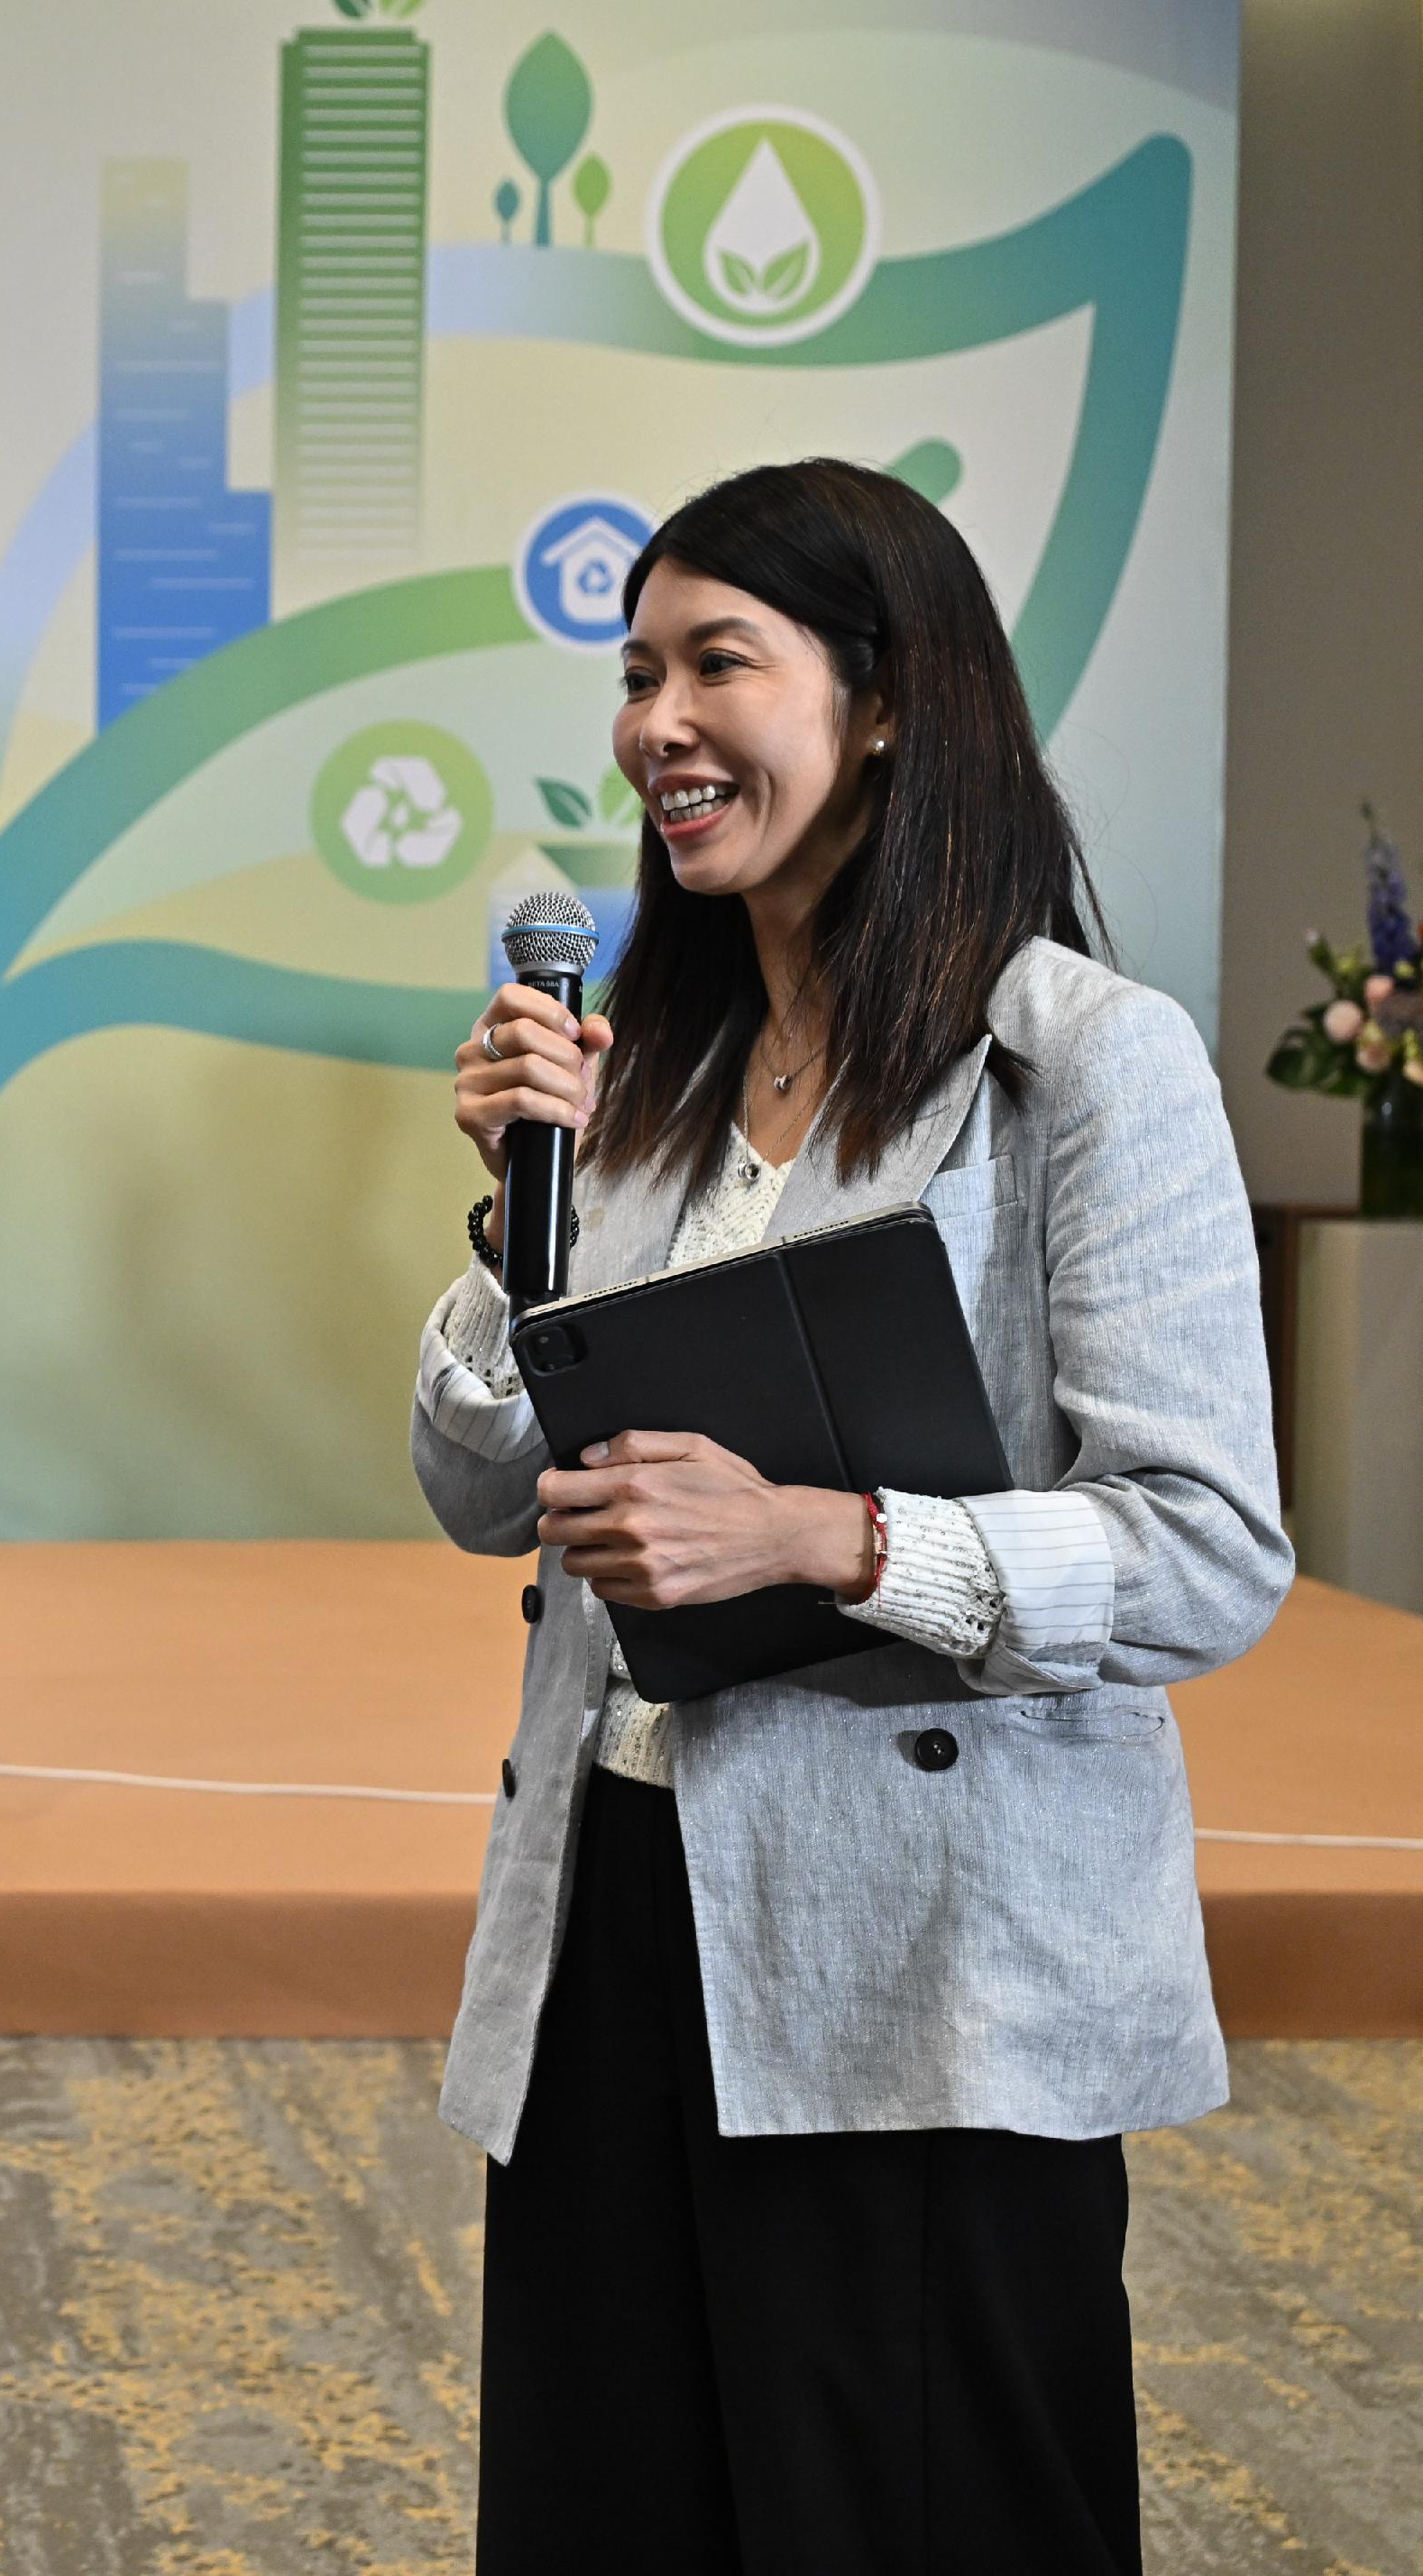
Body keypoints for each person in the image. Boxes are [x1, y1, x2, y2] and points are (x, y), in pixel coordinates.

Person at [416, 456, 1290, 2573]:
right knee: (610, 2504)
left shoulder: (1085, 1061)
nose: (657, 725)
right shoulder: (635, 1085)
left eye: (720, 659)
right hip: (618, 1899)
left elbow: (1201, 1542)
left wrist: (831, 1537)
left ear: (885, 699)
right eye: (635, 675)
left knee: (912, 2509)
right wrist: (508, 1222)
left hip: (926, 1953)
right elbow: (469, 1492)